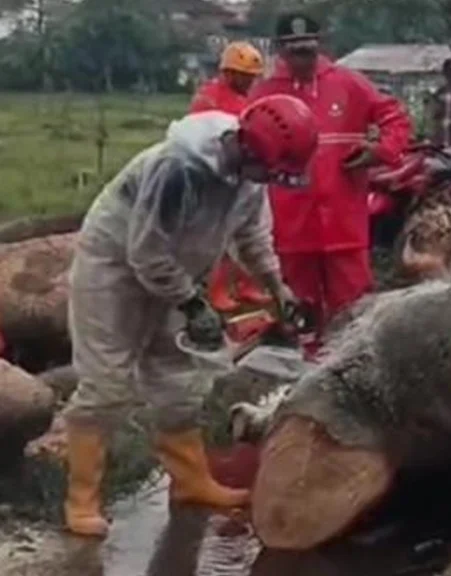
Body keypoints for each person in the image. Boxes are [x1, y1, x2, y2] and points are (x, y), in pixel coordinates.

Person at [62, 95, 317, 538]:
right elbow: (145, 251)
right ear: (248, 149)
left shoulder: (249, 180)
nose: (270, 180)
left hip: (174, 273)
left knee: (179, 377)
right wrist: (192, 303)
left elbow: (253, 238)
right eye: (269, 170)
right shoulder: (178, 170)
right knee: (107, 382)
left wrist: (279, 289)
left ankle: (190, 481)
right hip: (115, 268)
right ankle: (81, 500)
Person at [249, 13, 411, 345]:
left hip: (344, 227)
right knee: (298, 314)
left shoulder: (349, 84)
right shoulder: (264, 94)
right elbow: (243, 146)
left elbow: (395, 118)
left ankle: (353, 379)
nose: (302, 59)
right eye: (294, 52)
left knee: (354, 316)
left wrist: (379, 150)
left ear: (320, 46)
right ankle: (302, 377)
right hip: (291, 230)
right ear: (280, 50)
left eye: (308, 50)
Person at [190, 41, 275, 314]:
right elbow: (202, 139)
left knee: (250, 232)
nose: (250, 81)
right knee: (221, 239)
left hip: (245, 177)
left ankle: (248, 284)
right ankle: (217, 290)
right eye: (245, 76)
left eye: (252, 77)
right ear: (228, 72)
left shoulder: (248, 99)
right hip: (216, 176)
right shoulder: (208, 98)